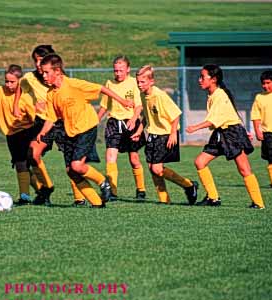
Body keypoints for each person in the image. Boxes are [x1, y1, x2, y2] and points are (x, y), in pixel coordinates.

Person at [38, 53, 134, 208]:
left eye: (46, 72)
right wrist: (42, 132)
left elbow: (101, 88)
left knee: (76, 166)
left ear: (57, 71)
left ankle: (103, 182)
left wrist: (122, 101)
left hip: (86, 127)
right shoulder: (51, 94)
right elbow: (51, 117)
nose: (43, 75)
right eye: (42, 72)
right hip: (70, 133)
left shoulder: (74, 84)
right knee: (71, 171)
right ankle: (97, 203)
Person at [13, 45, 84, 206]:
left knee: (70, 162)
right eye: (35, 61)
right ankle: (46, 188)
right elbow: (20, 87)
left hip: (62, 123)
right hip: (42, 123)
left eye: (40, 61)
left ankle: (79, 198)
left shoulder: (60, 79)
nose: (38, 65)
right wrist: (16, 105)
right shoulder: (29, 77)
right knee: (32, 154)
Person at [186, 64, 265, 209]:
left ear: (214, 79)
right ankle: (213, 198)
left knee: (244, 169)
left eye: (202, 77)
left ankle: (259, 203)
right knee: (200, 162)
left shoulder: (220, 95)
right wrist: (243, 130)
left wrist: (194, 127)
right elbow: (229, 114)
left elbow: (214, 120)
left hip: (231, 134)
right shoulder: (213, 94)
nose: (199, 80)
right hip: (221, 133)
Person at [132, 65, 198, 205]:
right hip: (153, 133)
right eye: (138, 82)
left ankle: (188, 185)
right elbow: (147, 115)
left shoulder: (160, 95)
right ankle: (164, 200)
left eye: (142, 82)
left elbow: (176, 114)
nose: (139, 85)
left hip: (166, 133)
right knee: (152, 168)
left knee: (157, 168)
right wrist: (139, 131)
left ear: (151, 81)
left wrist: (173, 133)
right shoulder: (142, 95)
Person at [0, 65, 37, 204]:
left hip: (26, 131)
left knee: (23, 163)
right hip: (11, 134)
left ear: (20, 81)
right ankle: (40, 190)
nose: (8, 84)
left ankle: (25, 195)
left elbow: (35, 119)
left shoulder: (25, 97)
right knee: (20, 164)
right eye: (6, 81)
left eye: (12, 82)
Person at [97, 55, 146, 201]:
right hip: (113, 123)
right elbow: (104, 106)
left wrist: (133, 119)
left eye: (121, 70)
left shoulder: (134, 83)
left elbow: (139, 106)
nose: (118, 73)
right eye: (116, 71)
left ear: (128, 70)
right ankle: (112, 192)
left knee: (134, 158)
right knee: (110, 157)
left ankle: (141, 189)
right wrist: (95, 120)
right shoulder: (109, 83)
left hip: (131, 123)